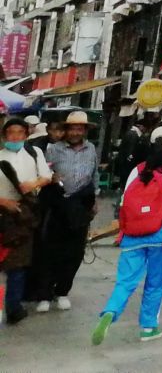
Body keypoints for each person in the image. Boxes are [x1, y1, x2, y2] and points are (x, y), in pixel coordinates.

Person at [90, 137, 162, 344]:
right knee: (155, 284)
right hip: (158, 239)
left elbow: (125, 204)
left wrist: (122, 233)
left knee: (125, 282)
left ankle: (110, 311)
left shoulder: (137, 170)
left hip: (132, 237)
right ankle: (148, 327)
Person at [27, 110, 97, 312]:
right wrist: (51, 178)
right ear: (66, 130)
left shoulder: (91, 149)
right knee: (50, 251)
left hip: (81, 203)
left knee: (75, 252)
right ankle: (44, 295)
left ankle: (63, 291)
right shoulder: (53, 149)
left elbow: (94, 174)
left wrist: (95, 199)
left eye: (79, 128)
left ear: (84, 131)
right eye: (72, 128)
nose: (76, 132)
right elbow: (44, 172)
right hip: (58, 204)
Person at [0, 112, 51, 324]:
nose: (15, 137)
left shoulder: (34, 152)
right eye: (11, 133)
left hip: (24, 215)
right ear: (4, 135)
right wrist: (4, 202)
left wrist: (34, 184)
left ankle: (13, 307)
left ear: (26, 134)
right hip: (2, 212)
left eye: (19, 132)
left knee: (18, 265)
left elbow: (47, 176)